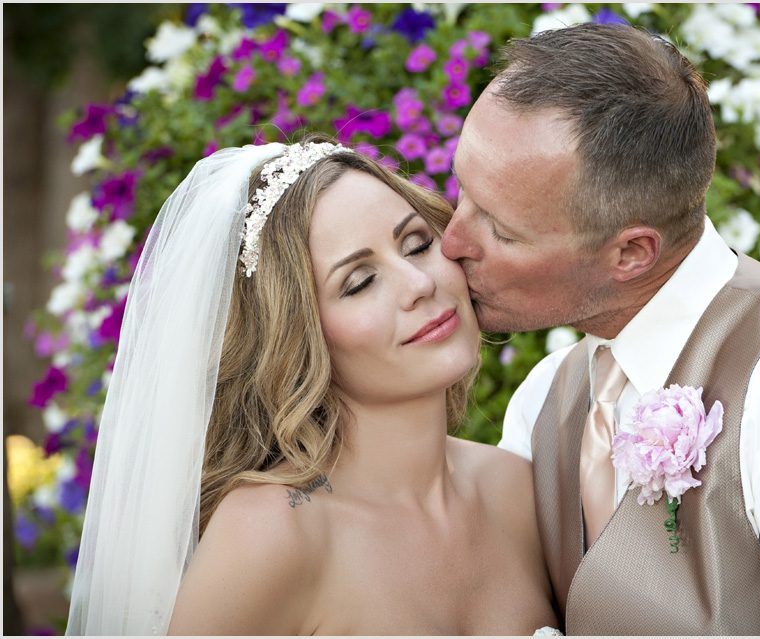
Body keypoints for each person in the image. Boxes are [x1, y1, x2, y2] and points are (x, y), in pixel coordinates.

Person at [441, 23, 760, 635]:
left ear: (632, 253)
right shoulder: (545, 399)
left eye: (501, 231)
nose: (451, 242)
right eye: (461, 194)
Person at [66, 136, 557, 635]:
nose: (418, 283)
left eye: (417, 244)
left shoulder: (517, 490)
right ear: (299, 336)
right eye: (360, 282)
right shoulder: (270, 534)